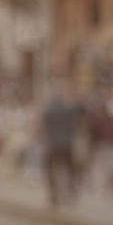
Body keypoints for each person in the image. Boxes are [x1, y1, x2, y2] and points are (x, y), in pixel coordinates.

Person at [42, 81, 82, 209]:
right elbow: (76, 125)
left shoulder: (48, 111)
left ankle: (54, 194)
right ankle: (71, 192)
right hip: (67, 144)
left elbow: (44, 128)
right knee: (70, 169)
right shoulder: (68, 110)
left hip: (53, 144)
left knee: (50, 169)